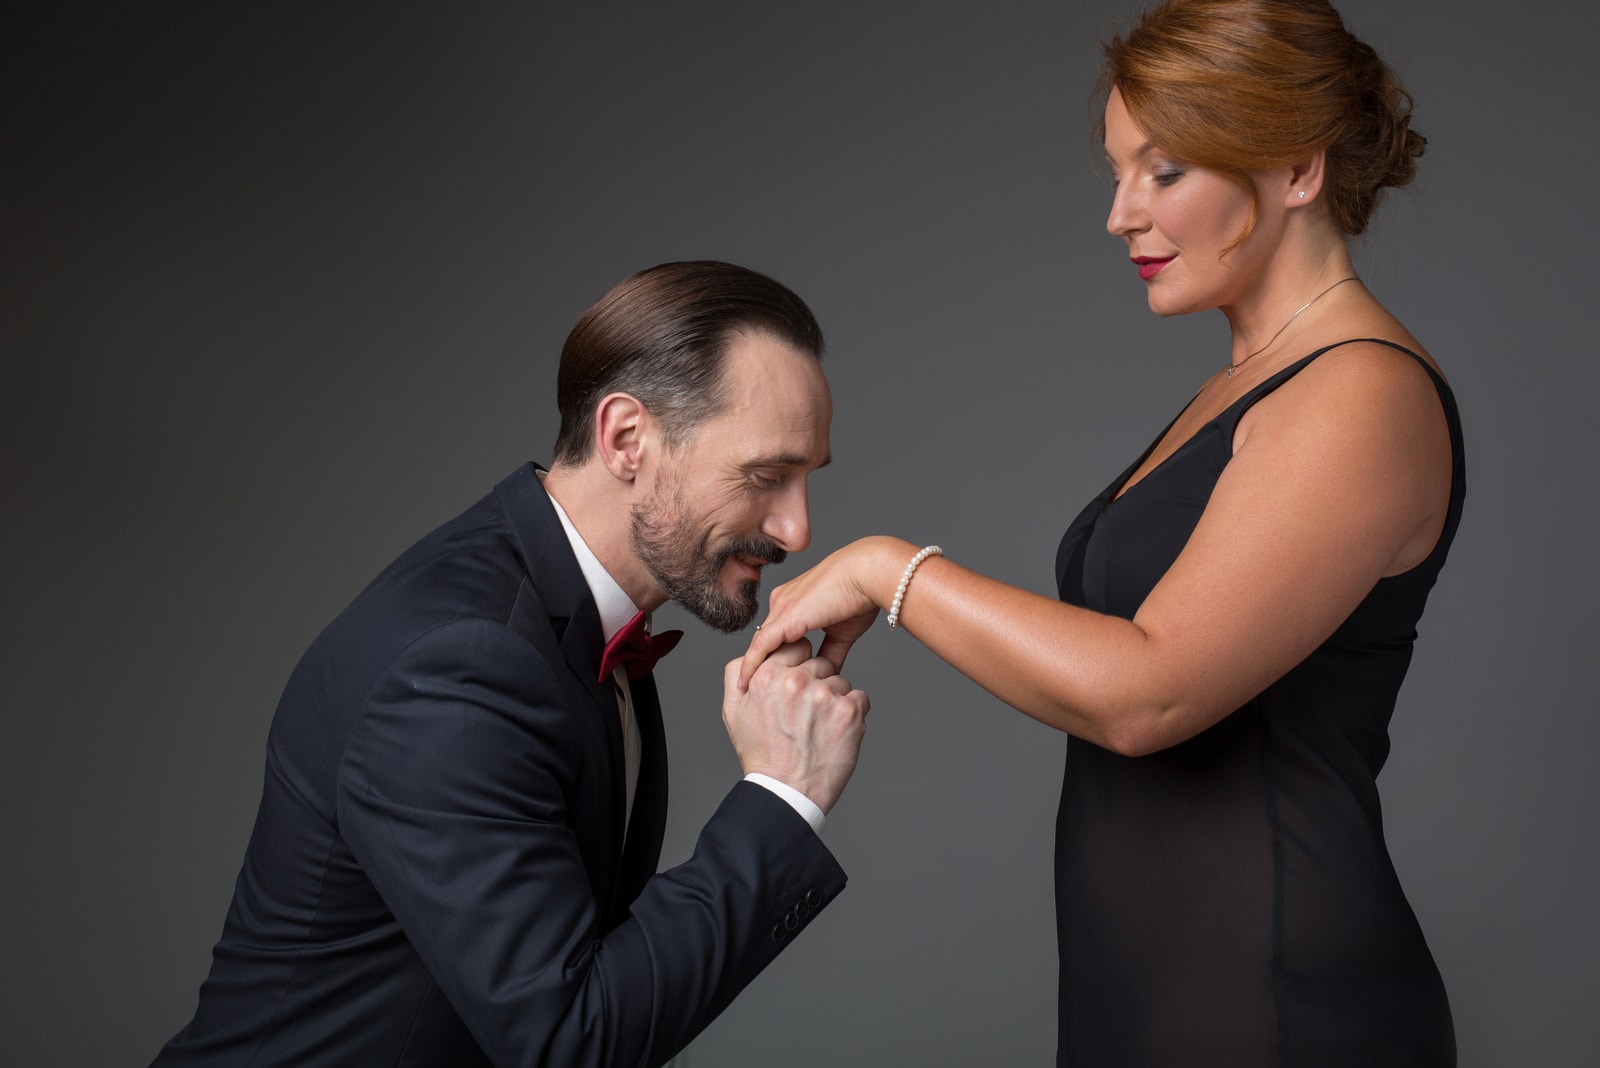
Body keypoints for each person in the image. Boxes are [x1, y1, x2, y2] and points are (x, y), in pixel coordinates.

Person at [740, 1, 1461, 1063]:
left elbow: (1148, 691)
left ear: (1299, 170)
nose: (1122, 214)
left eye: (1164, 172)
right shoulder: (1247, 387)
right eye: (1119, 171)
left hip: (1276, 1003)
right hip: (1155, 990)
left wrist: (886, 571)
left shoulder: (1359, 394)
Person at [153, 261, 869, 1067]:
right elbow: (569, 1039)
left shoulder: (567, 616)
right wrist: (783, 795)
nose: (798, 529)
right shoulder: (464, 663)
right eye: (767, 476)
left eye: (808, 480)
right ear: (627, 439)